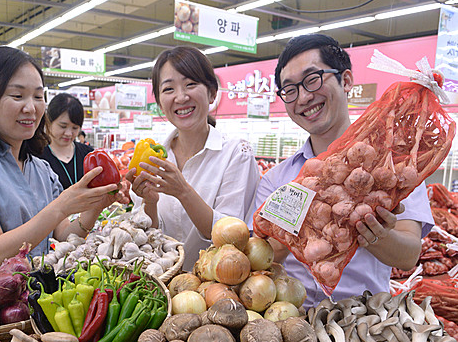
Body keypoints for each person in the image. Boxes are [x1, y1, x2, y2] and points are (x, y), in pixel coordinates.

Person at [251, 34, 434, 307]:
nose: (303, 97)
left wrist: (374, 234)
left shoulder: (391, 168)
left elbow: (408, 256)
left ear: (346, 80)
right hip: (289, 324)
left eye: (312, 80)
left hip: (364, 324)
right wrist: (288, 235)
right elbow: (259, 256)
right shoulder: (276, 179)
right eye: (290, 89)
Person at [0, 46, 117, 267]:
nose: (31, 108)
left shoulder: (41, 170)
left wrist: (96, 206)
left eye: (38, 96)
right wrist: (62, 206)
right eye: (17, 96)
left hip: (36, 295)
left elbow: (64, 236)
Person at [126, 46, 260, 270]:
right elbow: (146, 237)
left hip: (213, 290)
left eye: (190, 84)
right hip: (159, 287)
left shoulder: (236, 154)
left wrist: (183, 191)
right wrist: (150, 202)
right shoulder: (152, 156)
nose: (181, 97)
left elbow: (231, 236)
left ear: (211, 93)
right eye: (169, 89)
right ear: (159, 102)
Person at [41, 94, 93, 190]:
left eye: (75, 128)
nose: (69, 133)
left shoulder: (88, 154)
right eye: (63, 126)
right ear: (48, 122)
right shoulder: (37, 156)